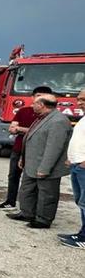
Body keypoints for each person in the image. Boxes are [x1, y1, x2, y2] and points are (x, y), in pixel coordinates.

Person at [6, 94, 72, 229]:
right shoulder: (42, 118)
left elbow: (54, 147)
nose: (32, 105)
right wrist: (22, 158)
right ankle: (27, 213)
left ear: (42, 105)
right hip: (31, 162)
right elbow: (30, 139)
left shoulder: (58, 121)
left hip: (45, 165)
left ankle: (43, 219)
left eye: (35, 103)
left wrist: (45, 168)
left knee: (47, 193)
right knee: (27, 189)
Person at [0, 86, 54, 209]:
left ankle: (32, 206)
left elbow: (42, 132)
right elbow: (12, 128)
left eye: (43, 97)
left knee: (33, 179)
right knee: (13, 175)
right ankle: (10, 201)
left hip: (37, 151)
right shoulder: (23, 111)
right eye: (37, 96)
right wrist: (23, 130)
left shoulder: (49, 116)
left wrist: (21, 129)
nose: (39, 99)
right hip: (19, 148)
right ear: (32, 97)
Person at [60, 89, 85, 249]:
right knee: (81, 202)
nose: (79, 102)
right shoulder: (83, 119)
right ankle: (82, 233)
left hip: (83, 166)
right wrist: (72, 158)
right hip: (77, 166)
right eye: (79, 99)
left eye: (83, 99)